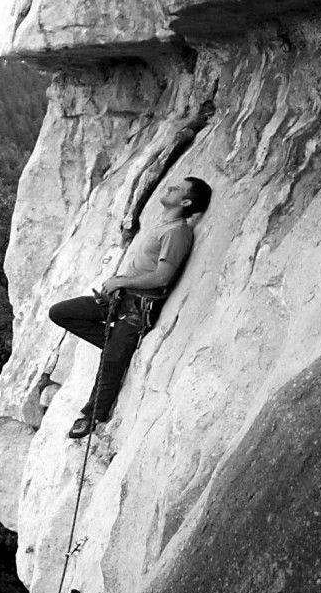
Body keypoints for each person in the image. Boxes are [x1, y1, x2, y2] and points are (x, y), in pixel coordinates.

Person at [49, 176, 211, 439]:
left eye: (178, 189)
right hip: (121, 298)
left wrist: (121, 281)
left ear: (186, 201)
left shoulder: (176, 233)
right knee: (61, 312)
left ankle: (92, 415)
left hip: (138, 307)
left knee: (111, 361)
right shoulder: (164, 225)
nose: (170, 186)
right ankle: (116, 344)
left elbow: (162, 278)